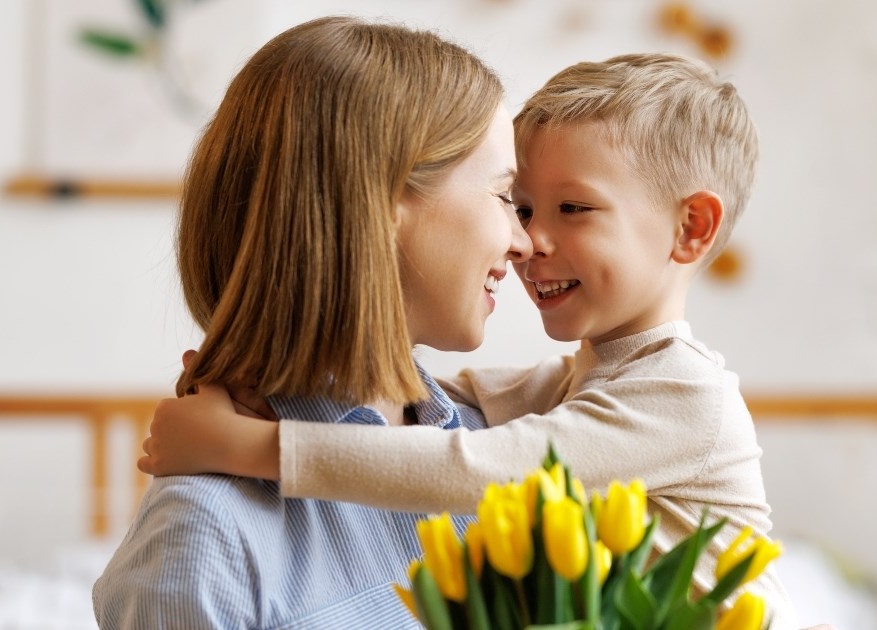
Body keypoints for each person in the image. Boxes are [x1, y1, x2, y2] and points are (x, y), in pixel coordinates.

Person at [142, 53, 799, 626]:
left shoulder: (684, 398)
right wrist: (268, 380)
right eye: (518, 204)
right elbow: (445, 394)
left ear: (691, 229)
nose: (529, 242)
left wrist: (252, 444)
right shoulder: (580, 386)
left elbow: (477, 467)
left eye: (572, 209)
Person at [92, 15, 532, 628]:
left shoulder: (505, 443)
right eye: (506, 196)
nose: (524, 241)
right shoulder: (203, 542)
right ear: (383, 199)